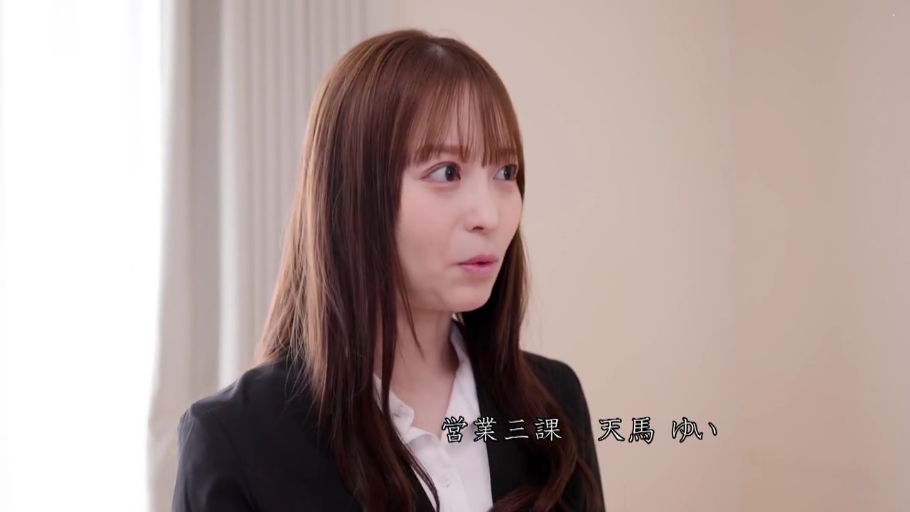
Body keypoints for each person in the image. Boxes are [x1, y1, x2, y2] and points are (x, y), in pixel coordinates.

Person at [171, 28, 604, 512]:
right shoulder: (236, 440)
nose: (490, 214)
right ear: (354, 195)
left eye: (505, 173)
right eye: (447, 172)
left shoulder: (552, 402)